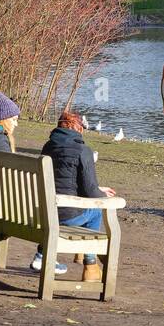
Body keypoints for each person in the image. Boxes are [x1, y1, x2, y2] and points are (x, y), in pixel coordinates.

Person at [32, 111, 116, 281]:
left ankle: (42, 254)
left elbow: (62, 180)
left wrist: (98, 188)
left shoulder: (48, 146)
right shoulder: (82, 150)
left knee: (83, 208)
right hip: (64, 215)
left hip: (43, 213)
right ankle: (90, 265)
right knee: (96, 210)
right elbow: (91, 192)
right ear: (78, 129)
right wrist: (103, 194)